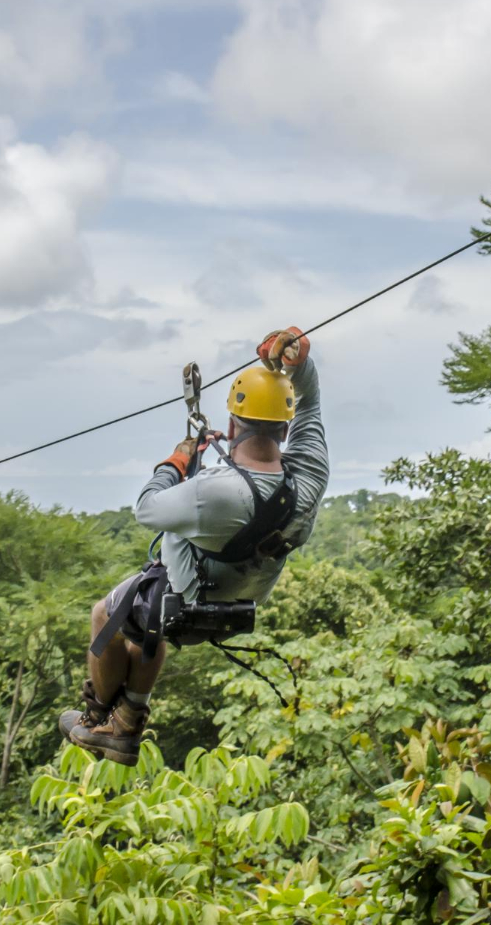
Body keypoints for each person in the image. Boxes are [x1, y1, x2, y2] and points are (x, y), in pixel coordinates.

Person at [59, 327, 329, 764]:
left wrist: (177, 462)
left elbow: (147, 508)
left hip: (191, 594)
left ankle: (97, 720)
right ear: (285, 428)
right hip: (244, 596)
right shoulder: (310, 476)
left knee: (105, 614)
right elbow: (311, 403)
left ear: (232, 425)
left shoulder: (213, 493)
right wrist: (298, 363)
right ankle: (127, 721)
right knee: (144, 629)